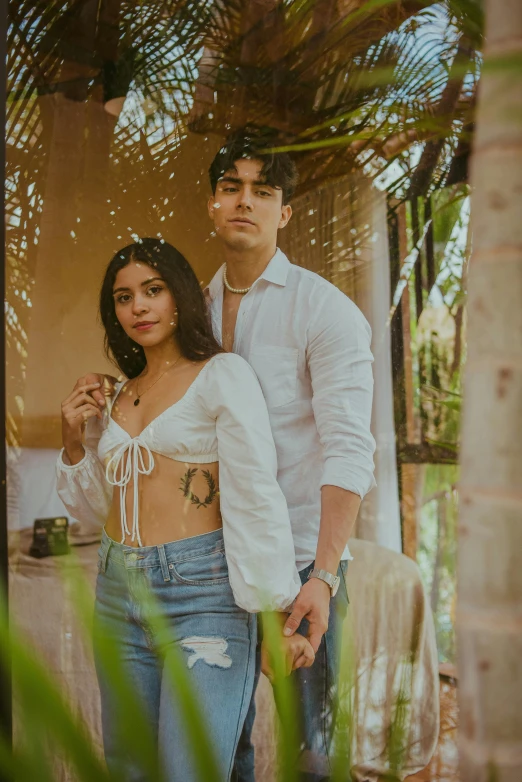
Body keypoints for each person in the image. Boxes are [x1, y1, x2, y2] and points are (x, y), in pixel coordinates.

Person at [84, 135, 376, 780]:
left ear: (285, 212)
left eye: (263, 191)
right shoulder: (188, 306)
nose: (245, 202)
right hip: (212, 565)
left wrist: (323, 576)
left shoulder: (325, 310)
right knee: (226, 748)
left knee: (312, 753)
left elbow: (350, 449)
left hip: (302, 555)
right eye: (231, 187)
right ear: (212, 204)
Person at [56, 238, 314, 782]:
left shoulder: (223, 375)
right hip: (116, 590)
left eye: (153, 290)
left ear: (180, 298)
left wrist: (271, 619)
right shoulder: (121, 394)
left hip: (203, 595)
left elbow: (254, 498)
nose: (139, 307)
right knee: (129, 767)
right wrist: (74, 442)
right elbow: (93, 510)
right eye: (124, 298)